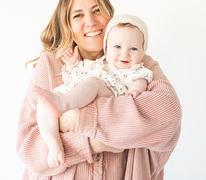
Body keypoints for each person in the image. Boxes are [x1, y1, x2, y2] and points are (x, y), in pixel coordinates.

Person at [17, 0, 182, 180]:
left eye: (97, 11)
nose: (91, 21)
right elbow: (28, 149)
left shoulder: (138, 62)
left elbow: (168, 113)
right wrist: (95, 142)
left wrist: (75, 120)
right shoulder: (52, 64)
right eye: (78, 15)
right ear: (67, 24)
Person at [33, 15, 153, 168]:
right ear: (106, 47)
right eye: (117, 47)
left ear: (143, 51)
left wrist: (135, 91)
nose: (125, 54)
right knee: (42, 105)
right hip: (80, 99)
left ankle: (62, 102)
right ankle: (53, 144)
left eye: (133, 49)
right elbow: (77, 79)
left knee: (94, 82)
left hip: (110, 97)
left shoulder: (137, 70)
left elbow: (141, 81)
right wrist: (73, 64)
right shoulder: (97, 65)